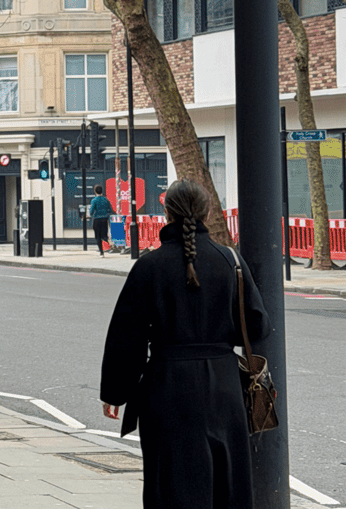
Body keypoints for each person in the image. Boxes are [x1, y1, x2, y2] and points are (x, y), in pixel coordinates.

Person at [100, 179, 269, 509]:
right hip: (223, 385)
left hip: (168, 385)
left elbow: (127, 336)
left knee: (173, 481)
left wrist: (115, 393)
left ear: (166, 213)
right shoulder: (230, 262)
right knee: (228, 480)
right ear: (207, 211)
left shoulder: (149, 266)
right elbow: (258, 326)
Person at [90, 183, 114, 255]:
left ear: (95, 191)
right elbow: (110, 210)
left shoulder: (94, 200)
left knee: (98, 236)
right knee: (104, 235)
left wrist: (92, 214)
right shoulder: (106, 200)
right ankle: (109, 241)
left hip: (97, 219)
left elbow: (91, 211)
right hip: (104, 219)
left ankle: (101, 252)